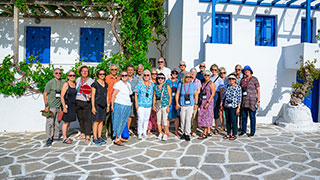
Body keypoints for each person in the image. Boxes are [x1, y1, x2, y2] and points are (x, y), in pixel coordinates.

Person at [43, 68, 66, 146]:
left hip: (59, 106)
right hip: (51, 106)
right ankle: (49, 138)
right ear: (54, 74)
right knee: (50, 123)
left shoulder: (63, 82)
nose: (58, 74)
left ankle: (56, 136)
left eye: (59, 73)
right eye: (56, 73)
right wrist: (46, 105)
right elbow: (45, 94)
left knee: (57, 122)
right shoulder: (50, 83)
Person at [111, 71, 133, 146]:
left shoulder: (128, 84)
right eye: (122, 75)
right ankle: (117, 138)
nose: (124, 76)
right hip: (119, 104)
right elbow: (113, 95)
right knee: (118, 121)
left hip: (127, 104)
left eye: (125, 75)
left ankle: (119, 136)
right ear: (120, 76)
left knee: (124, 121)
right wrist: (112, 105)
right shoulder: (118, 84)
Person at [175, 72, 198, 141]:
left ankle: (187, 133)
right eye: (187, 77)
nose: (188, 78)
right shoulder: (181, 85)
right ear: (184, 77)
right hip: (182, 105)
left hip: (190, 105)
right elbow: (177, 94)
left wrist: (196, 104)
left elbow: (196, 94)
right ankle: (183, 132)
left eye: (190, 77)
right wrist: (177, 103)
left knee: (188, 119)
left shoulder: (193, 85)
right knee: (182, 119)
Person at [239, 65, 260, 137]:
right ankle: (243, 130)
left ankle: (252, 132)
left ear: (250, 71)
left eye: (248, 70)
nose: (246, 71)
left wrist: (258, 101)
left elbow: (258, 90)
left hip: (252, 101)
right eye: (245, 70)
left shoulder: (254, 79)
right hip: (244, 101)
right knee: (244, 117)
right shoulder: (242, 80)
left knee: (252, 117)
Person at [75, 65, 94, 145]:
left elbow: (93, 92)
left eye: (86, 71)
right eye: (83, 71)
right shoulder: (78, 79)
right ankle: (82, 133)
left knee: (87, 119)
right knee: (80, 118)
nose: (84, 72)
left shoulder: (91, 81)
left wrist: (90, 95)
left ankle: (87, 135)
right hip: (78, 101)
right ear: (80, 72)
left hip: (86, 102)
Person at [134, 70, 154, 139]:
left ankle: (144, 132)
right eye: (145, 75)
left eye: (148, 75)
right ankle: (139, 133)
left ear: (150, 76)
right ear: (143, 76)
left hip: (149, 104)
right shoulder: (140, 84)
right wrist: (136, 103)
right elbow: (136, 93)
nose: (146, 76)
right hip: (140, 104)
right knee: (140, 118)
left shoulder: (152, 84)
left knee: (146, 119)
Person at [91, 69, 109, 146]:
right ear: (98, 75)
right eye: (101, 74)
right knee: (96, 121)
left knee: (101, 121)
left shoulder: (106, 84)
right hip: (97, 105)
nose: (102, 75)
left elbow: (107, 95)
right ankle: (95, 138)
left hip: (104, 105)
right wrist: (93, 107)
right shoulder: (94, 84)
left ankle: (99, 136)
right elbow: (93, 96)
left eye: (103, 74)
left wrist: (108, 105)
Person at [222, 73, 242, 141]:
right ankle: (228, 133)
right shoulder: (228, 86)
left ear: (235, 80)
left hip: (234, 106)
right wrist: (222, 103)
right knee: (227, 120)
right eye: (230, 79)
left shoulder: (238, 87)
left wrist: (238, 107)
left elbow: (239, 98)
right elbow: (224, 95)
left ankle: (234, 134)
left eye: (232, 79)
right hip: (227, 105)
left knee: (233, 120)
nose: (231, 80)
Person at [153, 73, 172, 141]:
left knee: (165, 120)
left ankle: (166, 133)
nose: (160, 79)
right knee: (158, 120)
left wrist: (169, 106)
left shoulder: (167, 86)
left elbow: (170, 96)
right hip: (158, 105)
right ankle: (160, 132)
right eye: (159, 78)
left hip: (165, 105)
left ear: (164, 79)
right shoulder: (155, 87)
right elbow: (154, 96)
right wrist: (153, 105)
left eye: (162, 78)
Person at [60, 71, 77, 144]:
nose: (72, 77)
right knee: (65, 122)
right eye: (70, 75)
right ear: (67, 77)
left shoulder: (75, 84)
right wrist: (64, 107)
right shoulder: (66, 84)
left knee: (69, 122)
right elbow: (62, 96)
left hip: (73, 105)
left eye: (73, 75)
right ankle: (64, 138)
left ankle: (66, 136)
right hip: (67, 105)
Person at [198, 70, 215, 139]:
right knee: (204, 115)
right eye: (205, 75)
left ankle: (204, 132)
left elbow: (213, 93)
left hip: (209, 101)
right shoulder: (203, 83)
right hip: (203, 101)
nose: (206, 76)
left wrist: (208, 102)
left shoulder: (211, 83)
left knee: (207, 116)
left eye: (208, 75)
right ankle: (208, 131)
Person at [103, 64, 119, 139]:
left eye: (115, 69)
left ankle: (110, 133)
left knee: (113, 119)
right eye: (112, 69)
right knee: (106, 118)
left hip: (116, 102)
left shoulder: (118, 78)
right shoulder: (106, 78)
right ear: (110, 70)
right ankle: (103, 133)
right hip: (108, 101)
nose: (114, 71)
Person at [210, 64, 224, 135]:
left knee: (216, 112)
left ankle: (215, 128)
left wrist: (221, 100)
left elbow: (221, 90)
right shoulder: (209, 78)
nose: (214, 71)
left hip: (216, 95)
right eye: (213, 69)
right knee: (209, 112)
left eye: (215, 70)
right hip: (210, 95)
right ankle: (208, 127)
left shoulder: (219, 79)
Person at [166, 68, 181, 137]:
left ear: (177, 74)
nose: (174, 74)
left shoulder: (179, 81)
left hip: (176, 101)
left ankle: (176, 131)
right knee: (168, 117)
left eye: (176, 73)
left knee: (176, 117)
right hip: (169, 100)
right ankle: (167, 131)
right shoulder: (168, 81)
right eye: (173, 73)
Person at [127, 65, 140, 136]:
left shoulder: (136, 79)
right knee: (127, 115)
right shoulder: (124, 78)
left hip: (134, 98)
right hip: (126, 99)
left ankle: (132, 128)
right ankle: (127, 129)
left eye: (131, 70)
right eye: (129, 70)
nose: (130, 71)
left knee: (133, 115)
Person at [190, 68, 201, 137]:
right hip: (188, 101)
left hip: (195, 100)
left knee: (194, 117)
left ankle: (194, 130)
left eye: (194, 73)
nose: (193, 74)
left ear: (196, 74)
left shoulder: (198, 81)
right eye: (192, 72)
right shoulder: (188, 80)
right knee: (188, 117)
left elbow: (199, 91)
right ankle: (188, 130)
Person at [148, 68, 158, 135]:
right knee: (150, 116)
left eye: (155, 74)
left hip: (157, 100)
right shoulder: (149, 82)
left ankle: (156, 128)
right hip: (150, 100)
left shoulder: (159, 81)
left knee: (157, 115)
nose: (154, 75)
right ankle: (149, 129)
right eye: (153, 74)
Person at [219, 67, 227, 131]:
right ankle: (222, 126)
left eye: (224, 73)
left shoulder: (228, 79)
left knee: (227, 112)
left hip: (227, 98)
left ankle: (228, 126)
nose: (222, 74)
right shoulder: (218, 79)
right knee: (220, 112)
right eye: (221, 73)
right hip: (219, 96)